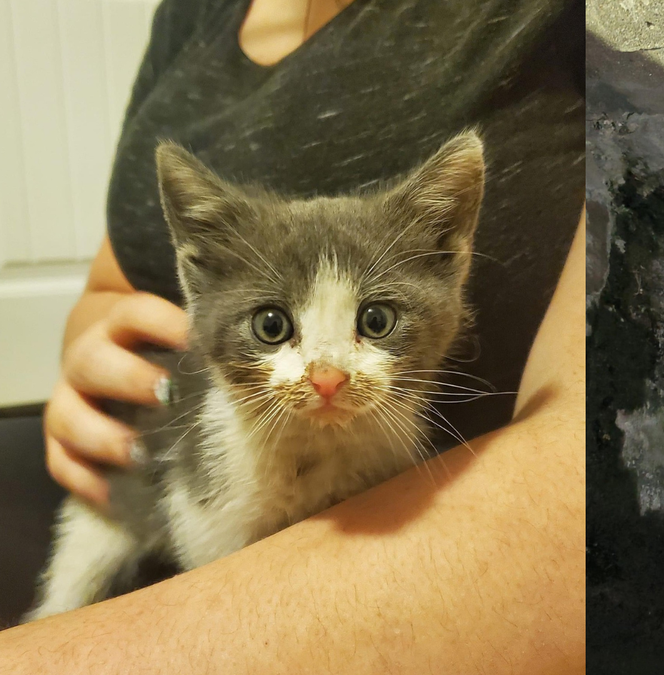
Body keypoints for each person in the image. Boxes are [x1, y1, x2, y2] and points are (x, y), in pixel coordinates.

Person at [0, 0, 584, 671]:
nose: (327, 375)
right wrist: (87, 334)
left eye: (374, 322)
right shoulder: (189, 14)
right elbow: (110, 283)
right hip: (130, 481)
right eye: (277, 328)